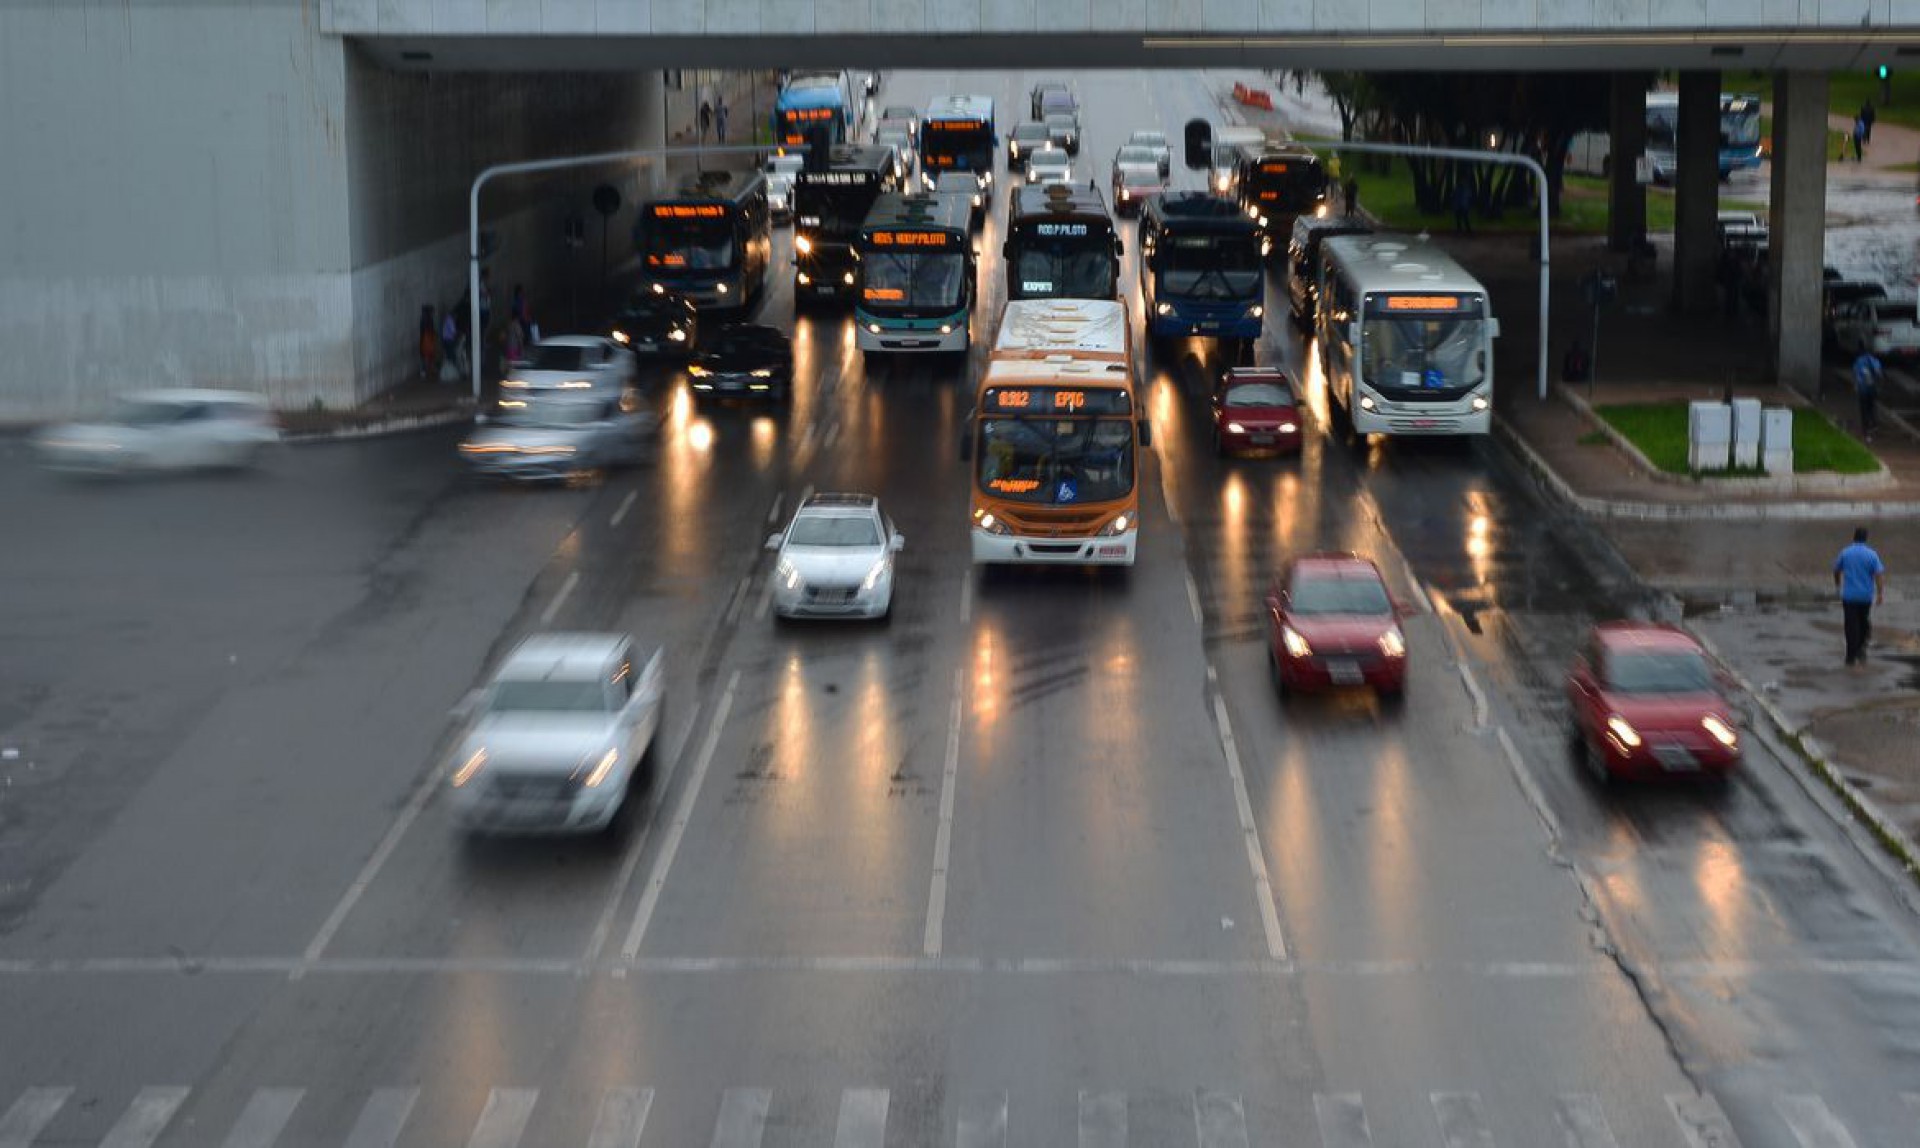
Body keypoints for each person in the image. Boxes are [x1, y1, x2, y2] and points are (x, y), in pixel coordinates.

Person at [1833, 527, 1887, 666]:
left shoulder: (1845, 552)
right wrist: (1880, 593)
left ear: (1854, 537)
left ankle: (1851, 655)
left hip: (1849, 595)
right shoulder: (1872, 555)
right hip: (1865, 596)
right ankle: (1861, 648)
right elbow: (1879, 575)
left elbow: (1836, 569)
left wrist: (1838, 584)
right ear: (1866, 538)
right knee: (1863, 621)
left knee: (1851, 624)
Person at [1853, 347, 1883, 440]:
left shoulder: (1859, 361)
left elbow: (1855, 372)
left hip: (1862, 389)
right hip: (1872, 389)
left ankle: (1865, 428)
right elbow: (1879, 374)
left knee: (1863, 408)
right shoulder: (1875, 361)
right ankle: (1873, 423)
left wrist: (1856, 385)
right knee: (1871, 407)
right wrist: (1879, 386)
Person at [417, 305, 440, 380]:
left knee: (426, 356)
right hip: (427, 339)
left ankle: (426, 371)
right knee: (427, 355)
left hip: (425, 339)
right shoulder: (427, 319)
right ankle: (426, 371)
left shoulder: (424, 319)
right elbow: (428, 329)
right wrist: (434, 333)